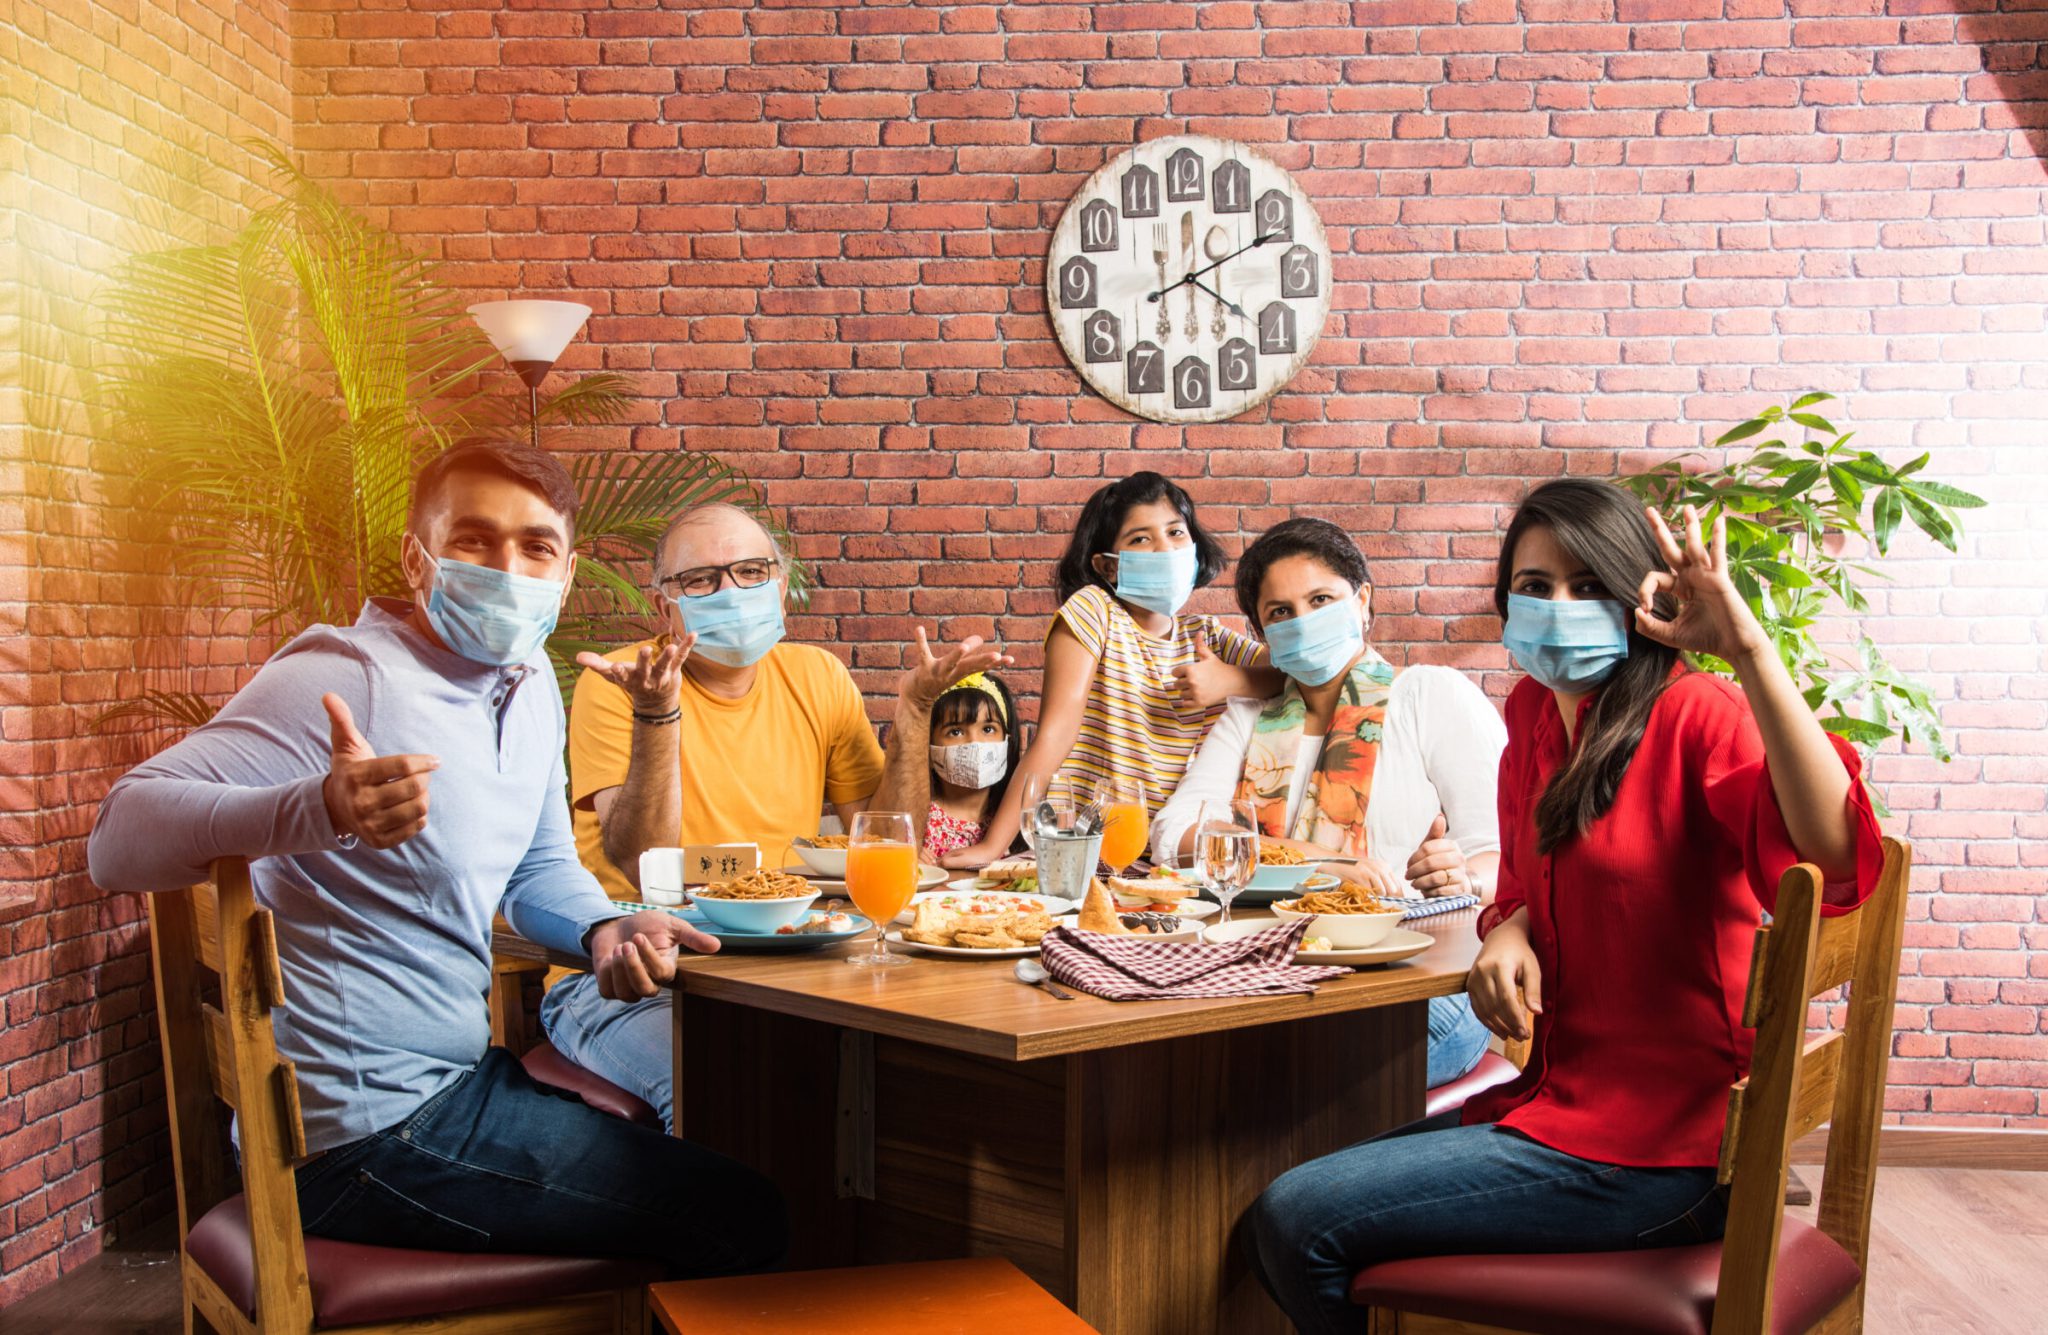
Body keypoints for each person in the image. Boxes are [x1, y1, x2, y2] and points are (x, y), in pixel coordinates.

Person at [87, 440, 785, 1274]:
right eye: (473, 540)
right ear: (418, 561)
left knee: (732, 1151)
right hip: (358, 1136)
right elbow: (116, 840)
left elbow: (536, 871)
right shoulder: (346, 672)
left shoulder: (526, 683)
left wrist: (603, 927)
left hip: (457, 1084)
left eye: (536, 547)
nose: (507, 565)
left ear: (565, 577)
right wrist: (318, 807)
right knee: (742, 1212)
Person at [1247, 479, 1884, 1333]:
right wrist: (1508, 924)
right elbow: (1517, 881)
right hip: (1557, 1112)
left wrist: (1749, 650)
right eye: (1536, 586)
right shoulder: (1536, 718)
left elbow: (1835, 859)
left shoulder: (1700, 712)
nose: (1559, 607)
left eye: (1589, 586)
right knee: (1290, 1205)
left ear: (1639, 594)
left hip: (1664, 1157)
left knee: (1297, 1218)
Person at [543, 502, 1005, 1125]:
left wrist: (917, 711)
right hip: (634, 974)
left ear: (781, 588)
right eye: (701, 580)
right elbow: (641, 860)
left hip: (791, 964)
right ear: (665, 607)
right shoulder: (625, 681)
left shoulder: (817, 675)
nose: (730, 592)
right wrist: (657, 712)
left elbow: (887, 842)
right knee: (725, 1089)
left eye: (751, 571)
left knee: (922, 1072)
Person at [1152, 518, 1503, 1089]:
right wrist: (1313, 859)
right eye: (1281, 612)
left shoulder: (1431, 696)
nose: (1304, 621)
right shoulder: (1248, 718)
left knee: (1254, 1075)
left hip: (1420, 985)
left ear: (1363, 601)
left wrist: (1463, 875)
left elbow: (1504, 856)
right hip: (1270, 976)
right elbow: (1172, 835)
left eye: (1321, 599)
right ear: (1261, 629)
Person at [943, 471, 1280, 867]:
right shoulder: (1094, 611)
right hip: (1079, 847)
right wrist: (993, 846)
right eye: (1141, 539)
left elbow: (1292, 672)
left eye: (1176, 533)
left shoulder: (1206, 635)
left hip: (1164, 854)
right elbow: (1055, 734)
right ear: (1108, 567)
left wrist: (1232, 680)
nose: (1165, 550)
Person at [916, 671, 1020, 865]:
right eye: (955, 732)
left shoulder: (1014, 818)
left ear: (1007, 741)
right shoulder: (919, 822)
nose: (975, 743)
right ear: (929, 748)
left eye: (988, 729)